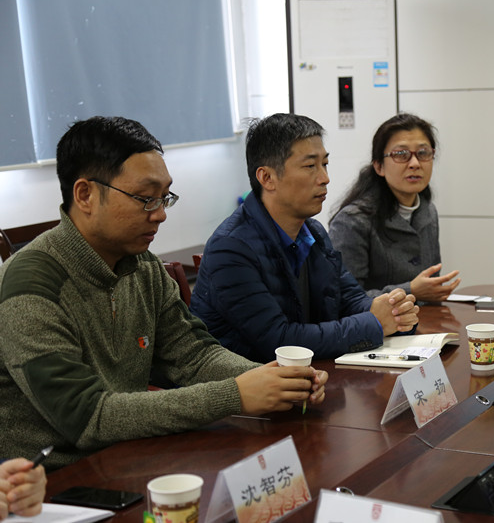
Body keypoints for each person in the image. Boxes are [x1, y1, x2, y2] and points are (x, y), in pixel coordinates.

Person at [0, 116, 327, 470]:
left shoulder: (143, 267)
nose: (160, 215)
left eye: (164, 198)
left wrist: (276, 380)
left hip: (130, 458)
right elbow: (89, 417)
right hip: (52, 483)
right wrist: (235, 394)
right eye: (145, 198)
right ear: (85, 195)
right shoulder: (30, 287)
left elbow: (194, 356)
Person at [190, 114, 419, 363]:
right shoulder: (231, 248)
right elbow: (280, 341)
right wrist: (374, 323)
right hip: (251, 381)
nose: (325, 178)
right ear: (267, 178)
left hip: (312, 374)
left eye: (325, 164)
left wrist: (391, 311)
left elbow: (349, 299)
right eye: (310, 166)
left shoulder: (314, 233)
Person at [328, 113, 460, 301]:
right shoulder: (352, 221)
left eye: (423, 153)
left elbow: (430, 285)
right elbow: (346, 299)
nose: (415, 163)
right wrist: (410, 291)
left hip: (423, 318)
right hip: (377, 321)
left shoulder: (428, 211)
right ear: (379, 166)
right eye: (401, 154)